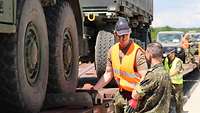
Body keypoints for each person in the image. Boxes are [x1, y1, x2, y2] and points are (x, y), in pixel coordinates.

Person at [91, 17, 148, 113]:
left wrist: (135, 99)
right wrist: (94, 89)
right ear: (115, 34)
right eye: (119, 36)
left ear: (129, 32)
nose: (122, 39)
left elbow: (145, 78)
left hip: (136, 95)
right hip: (122, 93)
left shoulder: (137, 52)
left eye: (125, 35)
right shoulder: (112, 51)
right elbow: (108, 74)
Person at [125, 42, 172, 113]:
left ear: (150, 54)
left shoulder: (152, 74)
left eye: (146, 53)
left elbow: (135, 95)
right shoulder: (165, 73)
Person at [164, 48, 184, 113]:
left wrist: (167, 76)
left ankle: (179, 111)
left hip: (177, 84)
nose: (167, 56)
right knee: (167, 99)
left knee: (178, 100)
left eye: (168, 54)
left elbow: (176, 71)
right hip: (169, 83)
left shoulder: (178, 61)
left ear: (173, 54)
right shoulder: (166, 60)